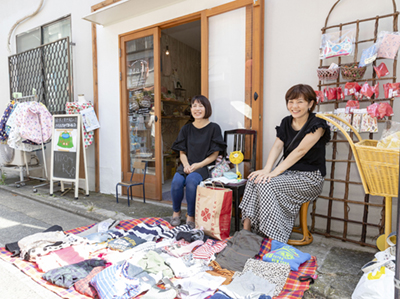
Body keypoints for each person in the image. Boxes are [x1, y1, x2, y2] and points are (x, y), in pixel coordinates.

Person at [240, 84, 330, 244]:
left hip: (309, 179)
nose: (294, 106)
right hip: (287, 174)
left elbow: (300, 151)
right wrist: (267, 169)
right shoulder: (286, 122)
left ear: (310, 103)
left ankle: (274, 238)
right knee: (255, 180)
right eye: (291, 101)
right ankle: (246, 233)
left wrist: (273, 173)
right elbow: (277, 146)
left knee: (266, 184)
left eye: (300, 102)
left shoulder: (318, 124)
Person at [170, 95, 226, 229]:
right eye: (194, 106)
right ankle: (176, 212)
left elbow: (214, 155)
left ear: (207, 109)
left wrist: (198, 165)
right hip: (187, 164)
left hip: (204, 166)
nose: (197, 109)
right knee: (176, 182)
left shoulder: (214, 128)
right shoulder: (186, 129)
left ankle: (191, 216)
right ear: (191, 109)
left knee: (191, 181)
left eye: (200, 106)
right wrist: (186, 165)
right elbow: (181, 152)